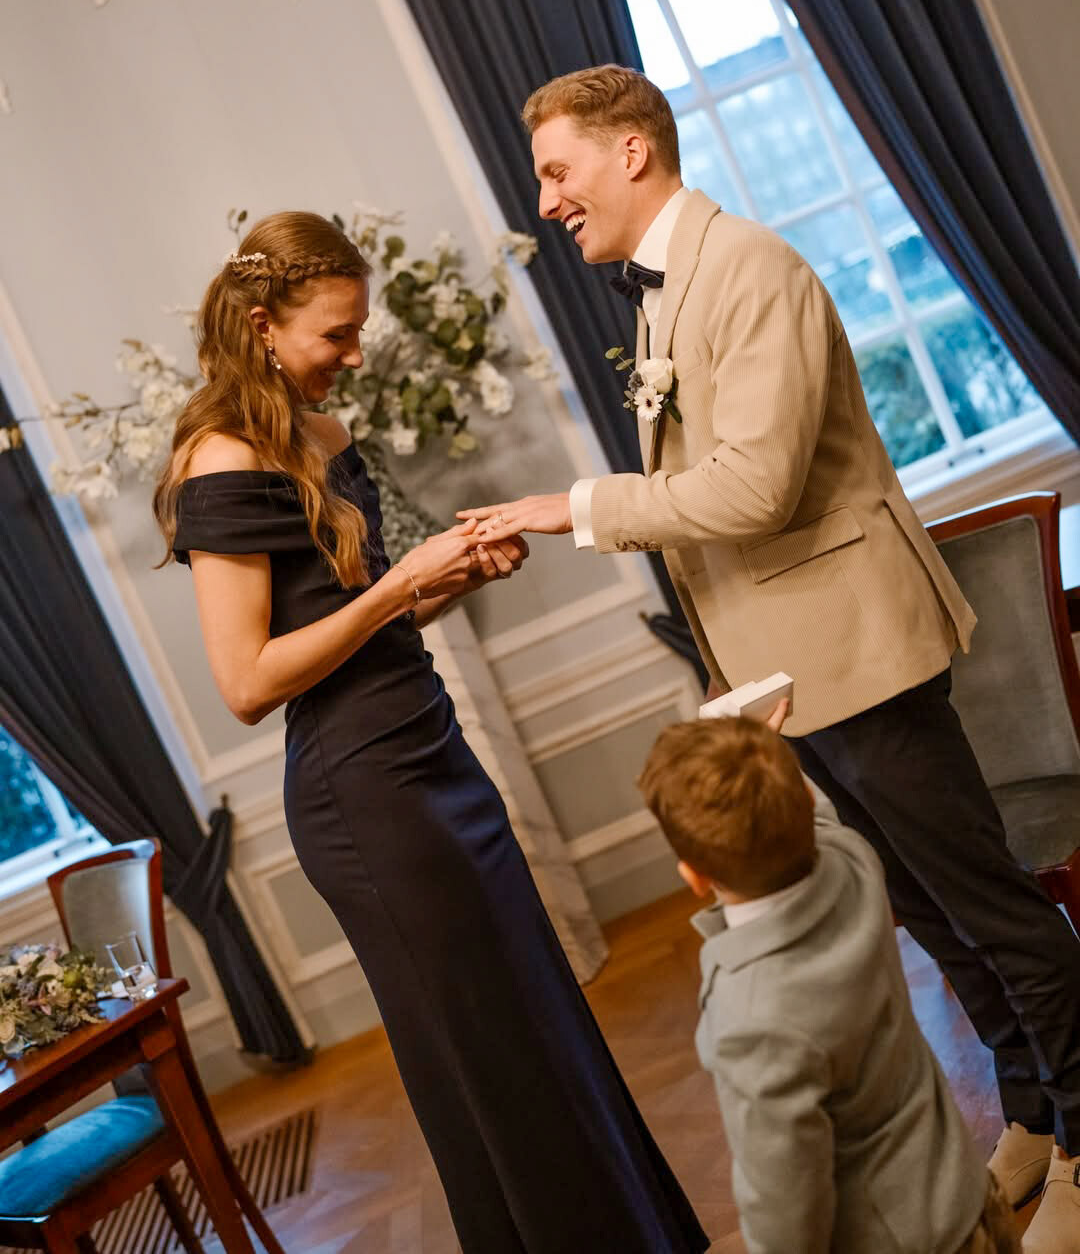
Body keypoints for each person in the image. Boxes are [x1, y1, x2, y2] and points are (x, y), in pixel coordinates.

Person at [457, 65, 1080, 1251]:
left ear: (632, 150)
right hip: (795, 674)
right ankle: (1035, 1110)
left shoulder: (746, 266)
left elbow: (755, 488)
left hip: (860, 648)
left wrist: (570, 506)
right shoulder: (665, 292)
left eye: (557, 170)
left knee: (993, 908)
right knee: (934, 916)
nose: (546, 201)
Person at [152, 210, 708, 1253]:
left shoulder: (324, 436)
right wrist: (398, 583)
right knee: (487, 1061)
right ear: (264, 325)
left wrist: (448, 579)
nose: (355, 355)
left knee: (541, 1026)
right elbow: (246, 682)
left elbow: (369, 615)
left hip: (434, 755)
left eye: (359, 331)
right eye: (337, 334)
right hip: (364, 801)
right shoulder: (216, 459)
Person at [637, 701, 1019, 1254]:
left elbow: (783, 1201)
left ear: (694, 876)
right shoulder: (852, 864)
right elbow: (816, 819)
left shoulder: (752, 1021)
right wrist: (771, 759)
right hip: (968, 1197)